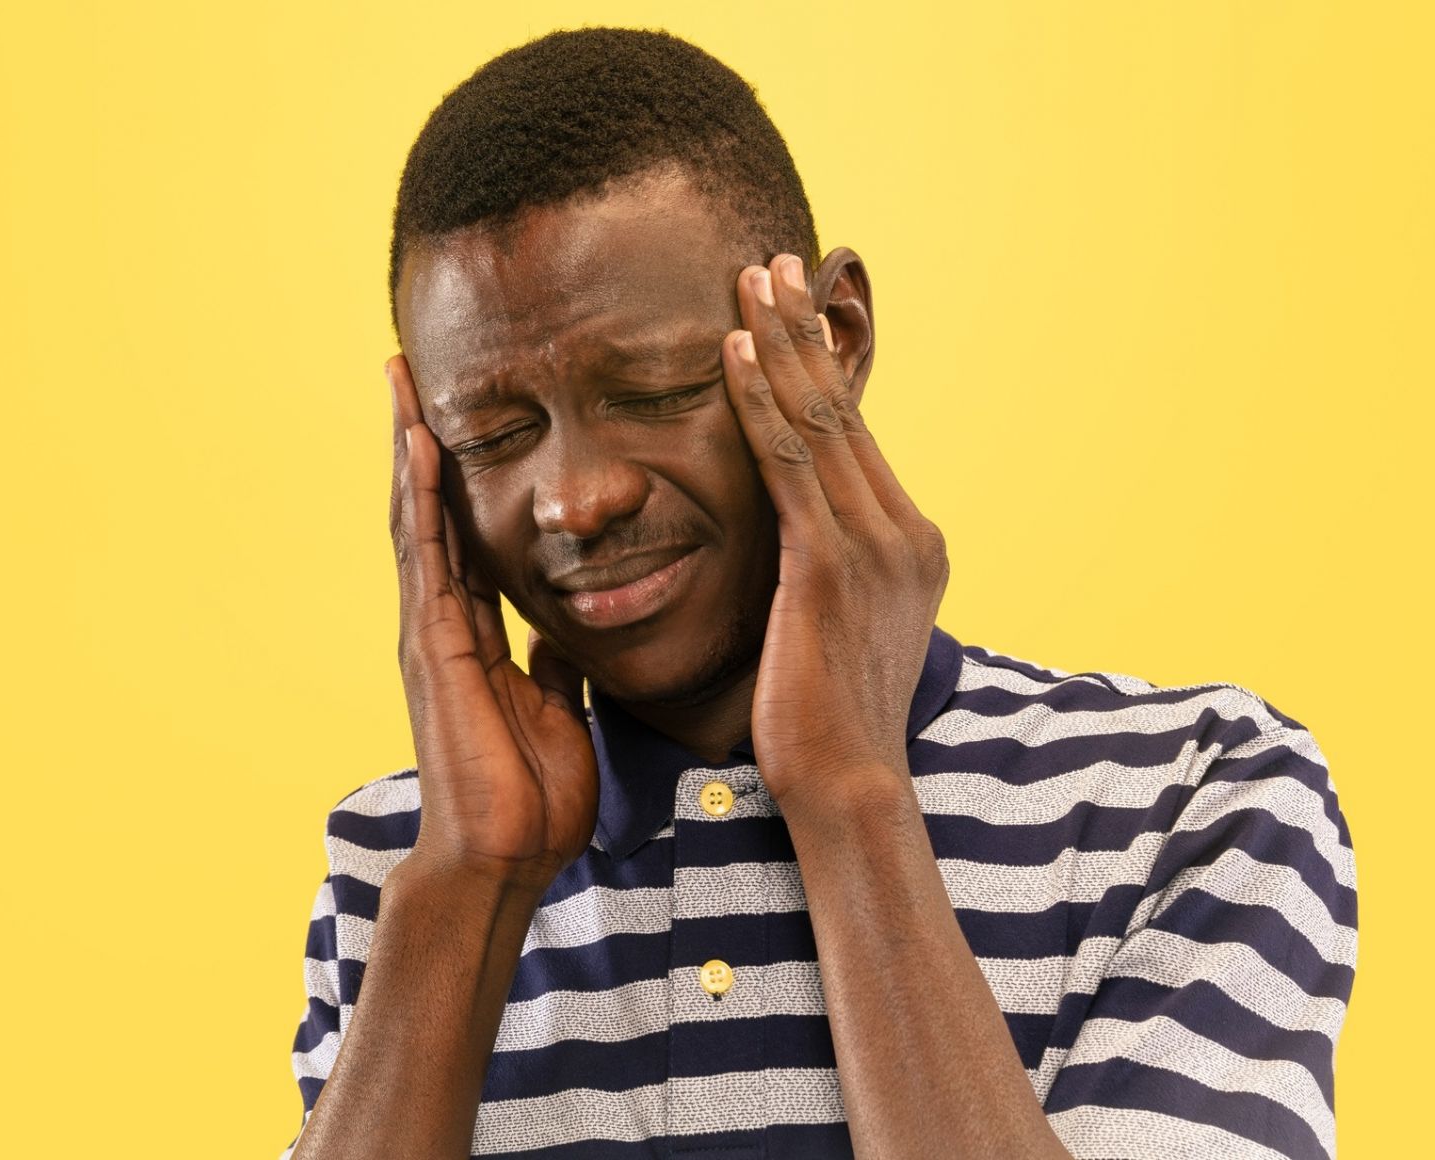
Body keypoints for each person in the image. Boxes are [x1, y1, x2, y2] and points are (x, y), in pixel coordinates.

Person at [282, 26, 1357, 1160]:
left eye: (651, 389)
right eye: (493, 435)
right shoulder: (399, 874)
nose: (575, 497)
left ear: (829, 336)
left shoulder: (1190, 797)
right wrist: (471, 888)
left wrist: (849, 795)